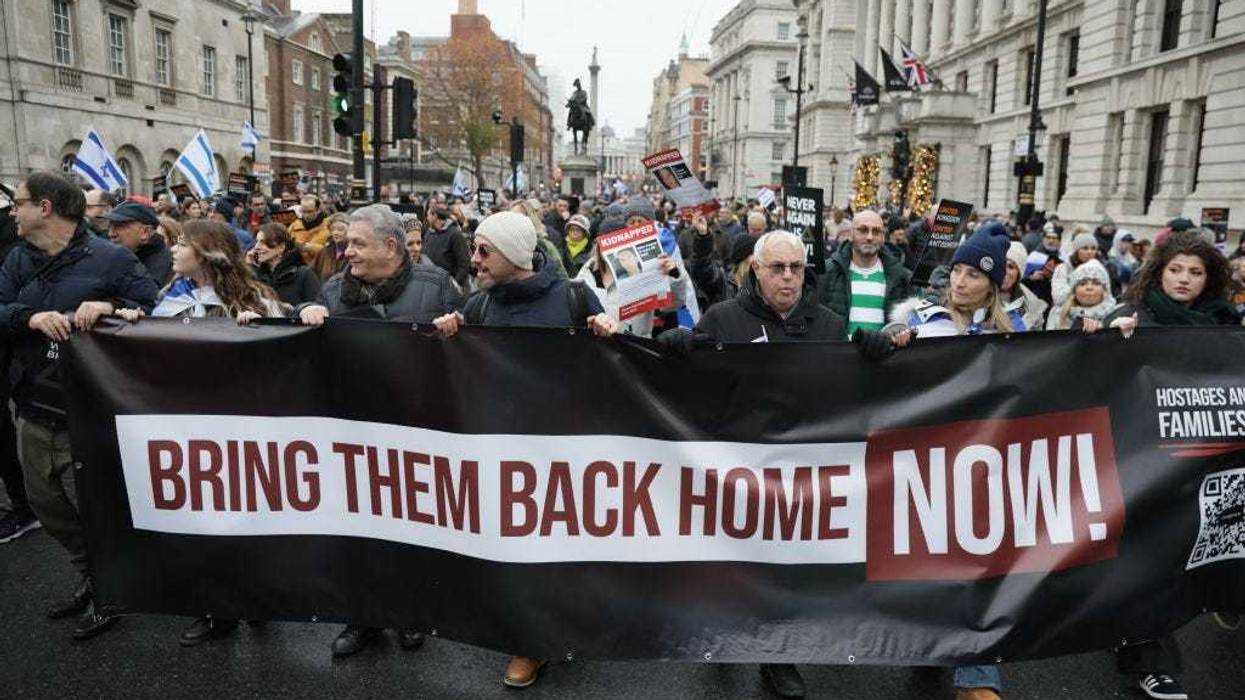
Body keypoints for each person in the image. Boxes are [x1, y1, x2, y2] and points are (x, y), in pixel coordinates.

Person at [431, 211, 614, 689]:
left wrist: (606, 332)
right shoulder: (478, 305)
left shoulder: (573, 297)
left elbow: (613, 366)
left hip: (564, 446)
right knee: (519, 545)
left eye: (484, 251)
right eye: (474, 249)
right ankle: (530, 643)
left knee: (563, 544)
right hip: (504, 445)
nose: (474, 260)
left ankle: (569, 622)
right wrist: (449, 333)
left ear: (514, 255)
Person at [1, 171, 158, 640]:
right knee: (45, 504)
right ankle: (91, 575)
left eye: (19, 202)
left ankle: (110, 590)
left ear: (45, 207)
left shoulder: (112, 258)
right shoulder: (17, 257)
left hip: (88, 412)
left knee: (99, 509)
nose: (12, 211)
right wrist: (29, 317)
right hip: (33, 404)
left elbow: (149, 305)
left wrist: (109, 307)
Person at [1094, 231, 1240, 700]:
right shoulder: (1134, 316)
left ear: (1208, 279)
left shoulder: (1226, 324)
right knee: (1147, 563)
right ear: (1159, 272)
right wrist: (1108, 337)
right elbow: (1092, 366)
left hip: (1208, 463)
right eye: (1176, 269)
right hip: (1145, 460)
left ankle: (1227, 594)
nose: (1184, 279)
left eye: (1195, 272)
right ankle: (1150, 663)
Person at [299, 204, 460, 327]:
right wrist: (305, 310)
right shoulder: (333, 290)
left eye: (359, 244)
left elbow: (464, 345)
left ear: (390, 247)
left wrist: (454, 327)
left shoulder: (437, 286)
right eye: (349, 243)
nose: (348, 252)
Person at [576, 218, 691, 338]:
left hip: (636, 344)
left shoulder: (644, 273)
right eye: (606, 243)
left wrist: (675, 275)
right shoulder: (586, 275)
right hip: (599, 345)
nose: (610, 249)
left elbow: (672, 305)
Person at [819, 210, 912, 338]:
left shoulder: (901, 276)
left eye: (876, 231)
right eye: (863, 230)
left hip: (883, 350)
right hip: (839, 350)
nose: (869, 237)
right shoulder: (828, 272)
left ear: (883, 237)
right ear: (850, 234)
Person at [248, 222, 321, 306]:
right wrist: (249, 267)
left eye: (263, 242)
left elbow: (316, 308)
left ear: (281, 247)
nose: (256, 247)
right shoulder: (256, 274)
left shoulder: (304, 275)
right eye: (257, 242)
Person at [105, 201, 173, 286]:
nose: (111, 234)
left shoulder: (168, 266)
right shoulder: (117, 257)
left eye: (120, 226)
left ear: (145, 232)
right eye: (110, 227)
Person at [1044, 259, 1116, 331]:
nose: (1089, 287)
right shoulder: (1058, 315)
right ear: (1074, 291)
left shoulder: (1115, 315)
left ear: (1104, 290)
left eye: (1096, 283)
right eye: (1082, 284)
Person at [1002, 242, 1049, 330]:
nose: (1004, 271)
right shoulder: (981, 293)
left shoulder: (1029, 304)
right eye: (1001, 264)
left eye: (1011, 267)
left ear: (1019, 273)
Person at [423, 204, 472, 289]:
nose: (427, 218)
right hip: (431, 285)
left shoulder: (454, 234)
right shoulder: (428, 233)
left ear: (434, 216)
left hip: (449, 288)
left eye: (428, 215)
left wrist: (454, 284)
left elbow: (464, 263)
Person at [1051, 232, 1103, 308]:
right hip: (1066, 311)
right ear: (1076, 251)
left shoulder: (1100, 269)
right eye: (1085, 248)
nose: (1090, 252)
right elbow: (1058, 297)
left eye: (1093, 248)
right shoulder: (1063, 269)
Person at [288, 194, 330, 262]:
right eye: (303, 211)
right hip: (297, 264)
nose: (306, 215)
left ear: (318, 210)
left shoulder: (329, 226)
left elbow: (332, 252)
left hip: (320, 265)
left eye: (310, 211)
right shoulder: (294, 226)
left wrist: (310, 248)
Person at [311, 213, 350, 281]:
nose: (335, 232)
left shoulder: (353, 252)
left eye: (340, 229)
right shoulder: (324, 252)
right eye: (332, 229)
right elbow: (312, 273)